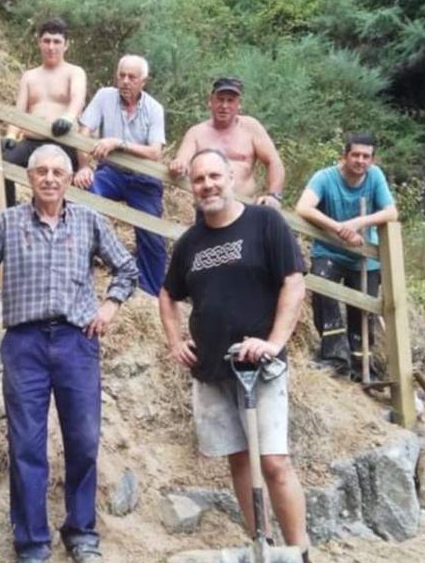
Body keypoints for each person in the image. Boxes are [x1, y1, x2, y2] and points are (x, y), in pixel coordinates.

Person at [0, 145, 137, 563]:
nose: (49, 178)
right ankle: (31, 548)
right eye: (41, 171)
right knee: (27, 446)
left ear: (69, 178)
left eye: (57, 172)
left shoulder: (88, 221)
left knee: (83, 441)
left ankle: (81, 534)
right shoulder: (4, 222)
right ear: (29, 177)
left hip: (76, 342)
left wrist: (108, 306)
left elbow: (127, 268)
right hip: (23, 344)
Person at [158, 148, 317, 563]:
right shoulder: (190, 243)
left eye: (214, 176)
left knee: (275, 462)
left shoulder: (265, 224)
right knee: (239, 460)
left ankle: (300, 557)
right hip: (212, 371)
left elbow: (293, 282)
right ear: (191, 186)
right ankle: (259, 546)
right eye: (199, 179)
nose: (207, 185)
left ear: (232, 177)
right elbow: (167, 296)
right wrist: (175, 341)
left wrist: (274, 343)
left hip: (261, 369)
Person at [295, 133, 398, 378]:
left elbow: (391, 212)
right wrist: (339, 228)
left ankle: (362, 365)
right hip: (329, 251)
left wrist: (359, 222)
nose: (360, 161)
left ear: (373, 160)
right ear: (345, 155)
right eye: (356, 155)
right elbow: (303, 207)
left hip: (365, 256)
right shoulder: (325, 177)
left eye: (366, 156)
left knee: (363, 310)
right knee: (323, 293)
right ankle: (334, 357)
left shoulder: (375, 177)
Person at [75, 55, 167, 296]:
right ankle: (82, 269)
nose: (125, 81)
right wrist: (84, 166)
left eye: (131, 77)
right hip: (111, 172)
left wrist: (119, 143)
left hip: (143, 179)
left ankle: (150, 293)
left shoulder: (154, 108)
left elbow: (155, 152)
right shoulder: (105, 96)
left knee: (153, 234)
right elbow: (83, 133)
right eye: (121, 75)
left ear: (143, 81)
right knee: (84, 195)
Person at [1, 19, 87, 203]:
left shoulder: (75, 72)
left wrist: (68, 117)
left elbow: (77, 99)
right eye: (47, 41)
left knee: (67, 190)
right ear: (39, 43)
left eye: (57, 42)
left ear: (66, 45)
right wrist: (10, 135)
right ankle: (8, 211)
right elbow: (20, 111)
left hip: (64, 140)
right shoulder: (29, 76)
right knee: (2, 165)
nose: (51, 47)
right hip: (32, 141)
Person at [170, 77, 286, 208]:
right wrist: (179, 166)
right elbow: (181, 160)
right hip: (209, 205)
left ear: (239, 104)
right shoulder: (196, 132)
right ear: (210, 101)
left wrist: (274, 195)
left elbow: (274, 161)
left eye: (230, 101)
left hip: (242, 206)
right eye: (220, 99)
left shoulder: (251, 128)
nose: (224, 106)